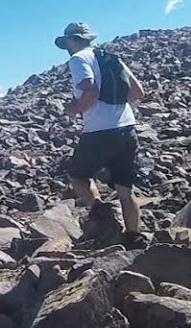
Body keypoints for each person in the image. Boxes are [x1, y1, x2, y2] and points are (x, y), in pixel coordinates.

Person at [54, 21, 147, 239]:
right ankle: (133, 238)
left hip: (99, 131)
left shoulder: (78, 59)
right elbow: (138, 92)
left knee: (78, 176)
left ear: (71, 40)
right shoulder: (112, 58)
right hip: (126, 127)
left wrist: (74, 109)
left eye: (67, 41)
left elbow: (90, 89)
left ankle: (100, 211)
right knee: (125, 190)